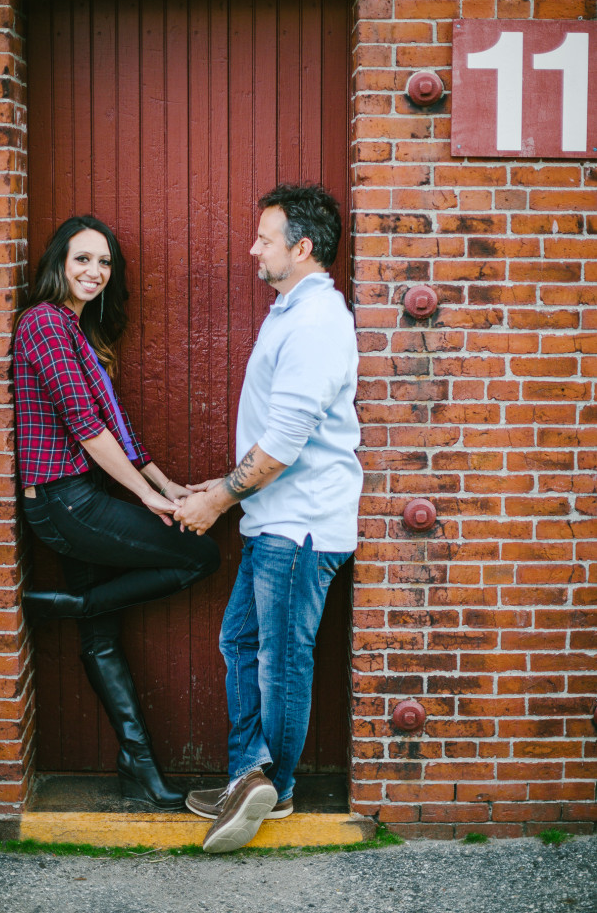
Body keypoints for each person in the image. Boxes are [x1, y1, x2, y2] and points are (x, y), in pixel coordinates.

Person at [176, 184, 362, 853]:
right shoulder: (292, 311)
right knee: (242, 646)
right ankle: (245, 778)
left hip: (300, 526)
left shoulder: (316, 321)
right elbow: (272, 432)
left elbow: (284, 439)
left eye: (264, 238)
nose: (253, 248)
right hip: (274, 518)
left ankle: (271, 787)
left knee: (280, 660)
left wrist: (217, 499)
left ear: (301, 247)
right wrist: (222, 486)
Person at [13, 215, 220, 811]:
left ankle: (140, 767)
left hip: (80, 499)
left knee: (101, 639)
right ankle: (74, 604)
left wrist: (167, 484)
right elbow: (88, 431)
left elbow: (120, 433)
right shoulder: (44, 324)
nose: (93, 272)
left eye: (104, 263)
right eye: (82, 259)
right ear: (57, 263)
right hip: (62, 503)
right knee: (199, 555)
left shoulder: (80, 332)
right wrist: (150, 501)